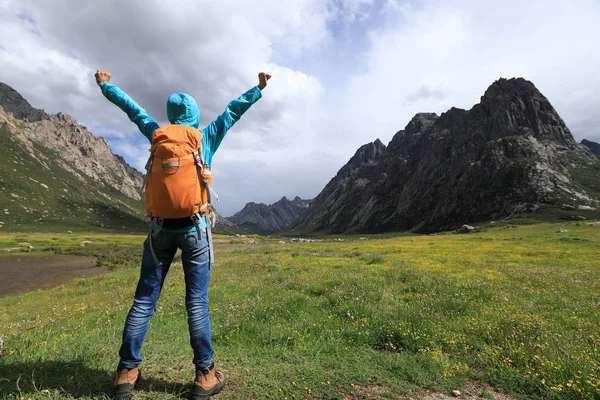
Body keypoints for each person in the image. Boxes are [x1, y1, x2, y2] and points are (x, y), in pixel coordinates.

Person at [95, 69, 271, 400]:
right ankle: (205, 376)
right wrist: (258, 89)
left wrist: (107, 86)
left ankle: (126, 373)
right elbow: (232, 111)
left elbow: (134, 110)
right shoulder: (205, 137)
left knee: (144, 300)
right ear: (193, 116)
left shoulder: (156, 134)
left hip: (159, 230)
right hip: (195, 229)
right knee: (196, 301)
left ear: (171, 115)